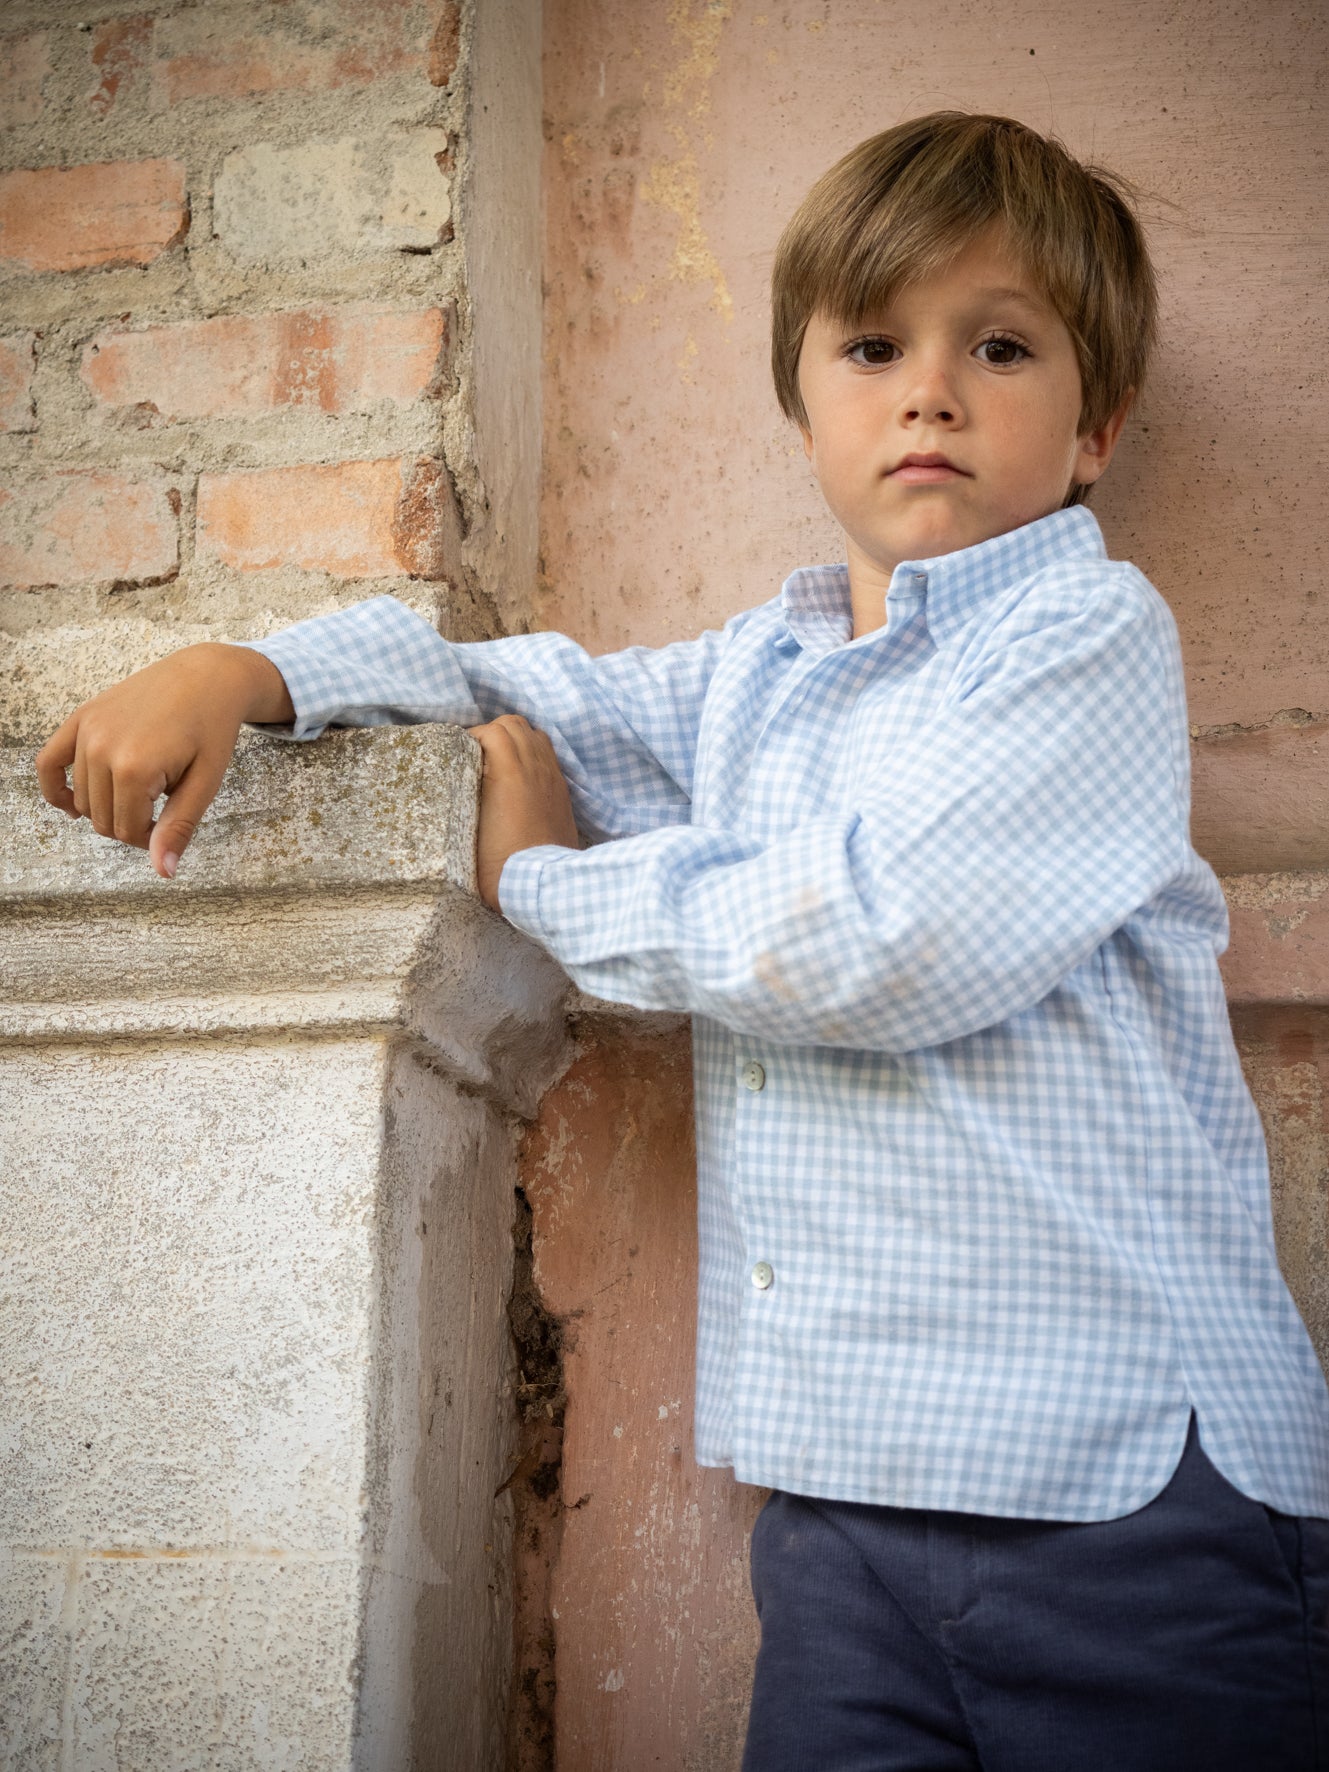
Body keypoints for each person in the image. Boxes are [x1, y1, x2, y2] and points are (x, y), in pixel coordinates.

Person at [36, 113, 1329, 1769]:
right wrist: (249, 670)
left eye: (996, 348)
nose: (928, 390)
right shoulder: (751, 683)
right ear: (805, 403)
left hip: (1133, 1504)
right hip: (843, 1511)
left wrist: (551, 892)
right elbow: (526, 691)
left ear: (1095, 430)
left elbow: (887, 936)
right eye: (874, 346)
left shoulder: (1083, 636)